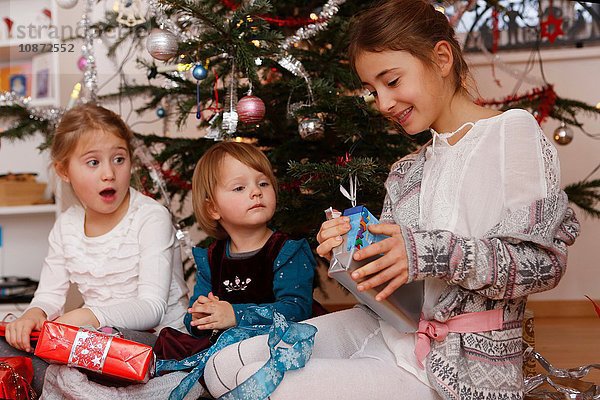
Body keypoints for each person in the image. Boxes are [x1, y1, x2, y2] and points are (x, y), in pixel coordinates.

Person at [201, 1, 580, 399]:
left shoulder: (511, 133)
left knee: (265, 387)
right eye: (372, 90)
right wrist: (354, 257)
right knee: (223, 364)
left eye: (392, 81)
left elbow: (542, 265)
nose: (382, 103)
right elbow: (398, 298)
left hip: (459, 364)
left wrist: (424, 253)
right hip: (391, 331)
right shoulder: (406, 171)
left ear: (441, 58)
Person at [0, 104, 188, 393]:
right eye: (93, 162)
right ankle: (78, 381)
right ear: (64, 170)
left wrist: (88, 316)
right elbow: (49, 296)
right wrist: (32, 316)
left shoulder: (151, 217)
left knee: (95, 341)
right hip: (92, 336)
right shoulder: (66, 226)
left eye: (118, 159)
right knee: (7, 342)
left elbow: (152, 308)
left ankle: (77, 384)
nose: (109, 174)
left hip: (152, 341)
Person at [153, 141, 316, 361]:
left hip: (278, 348)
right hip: (228, 350)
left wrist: (235, 315)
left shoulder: (286, 250)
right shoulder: (212, 258)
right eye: (240, 188)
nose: (256, 192)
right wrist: (202, 315)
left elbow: (297, 310)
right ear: (213, 208)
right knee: (170, 344)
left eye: (264, 183)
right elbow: (195, 318)